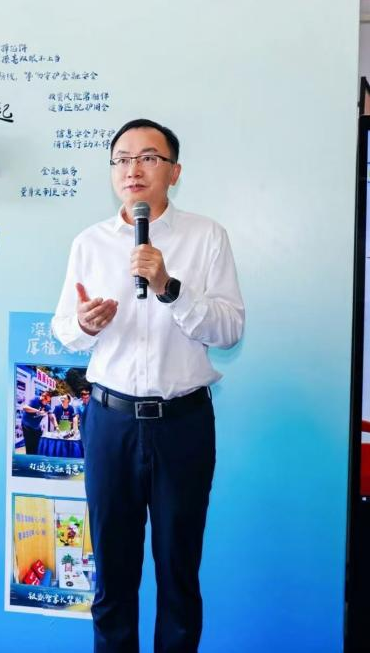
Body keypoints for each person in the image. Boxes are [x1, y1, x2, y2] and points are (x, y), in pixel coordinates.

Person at [52, 118, 244, 653]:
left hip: (182, 424)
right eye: (122, 159)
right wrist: (85, 323)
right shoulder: (89, 242)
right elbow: (65, 328)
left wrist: (168, 286)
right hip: (110, 423)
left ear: (174, 171)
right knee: (112, 579)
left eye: (148, 157)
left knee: (178, 575)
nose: (132, 169)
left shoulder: (206, 237)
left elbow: (229, 329)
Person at [19, 389, 53, 455]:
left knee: (37, 445)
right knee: (29, 445)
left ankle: (35, 457)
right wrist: (38, 411)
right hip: (27, 425)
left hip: (36, 427)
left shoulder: (47, 406)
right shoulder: (35, 399)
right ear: (42, 397)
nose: (47, 402)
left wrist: (56, 425)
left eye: (49, 401)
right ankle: (29, 458)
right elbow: (25, 407)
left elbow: (52, 416)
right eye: (46, 400)